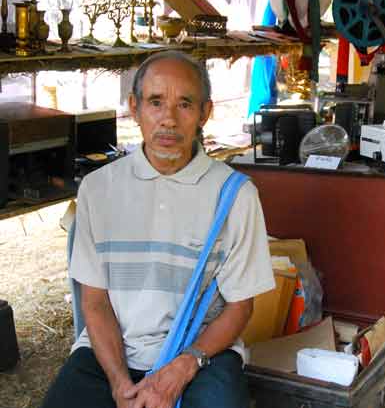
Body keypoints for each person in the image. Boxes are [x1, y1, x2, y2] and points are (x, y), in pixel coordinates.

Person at [41, 51, 276, 408]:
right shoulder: (98, 189)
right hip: (112, 350)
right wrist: (119, 383)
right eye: (155, 102)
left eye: (185, 104)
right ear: (134, 108)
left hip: (200, 352)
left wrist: (184, 366)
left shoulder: (235, 195)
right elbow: (95, 301)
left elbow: (240, 307)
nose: (168, 119)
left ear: (205, 113)